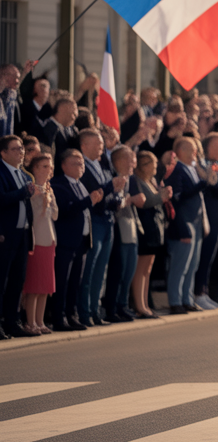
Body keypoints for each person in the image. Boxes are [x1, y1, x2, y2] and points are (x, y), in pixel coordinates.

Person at [77, 129, 126, 326]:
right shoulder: (82, 167)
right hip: (94, 221)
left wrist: (117, 197)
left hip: (108, 219)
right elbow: (93, 194)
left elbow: (111, 192)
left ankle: (95, 311)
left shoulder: (103, 165)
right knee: (89, 269)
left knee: (101, 269)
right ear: (84, 146)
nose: (101, 146)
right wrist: (110, 187)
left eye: (101, 143)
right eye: (97, 143)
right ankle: (84, 312)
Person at [50, 149, 100, 331]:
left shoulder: (80, 184)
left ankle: (72, 315)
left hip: (82, 241)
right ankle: (59, 317)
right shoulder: (58, 184)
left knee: (75, 281)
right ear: (63, 166)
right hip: (66, 241)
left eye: (82, 163)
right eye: (75, 163)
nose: (80, 166)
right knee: (62, 281)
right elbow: (65, 210)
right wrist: (89, 201)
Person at [165, 137, 208, 315]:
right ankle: (175, 301)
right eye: (191, 149)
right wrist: (201, 185)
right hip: (184, 223)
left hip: (196, 222)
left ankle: (187, 299)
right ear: (180, 151)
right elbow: (177, 198)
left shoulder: (194, 169)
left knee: (192, 265)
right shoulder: (177, 170)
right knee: (180, 265)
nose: (195, 152)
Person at [0, 134, 36, 338]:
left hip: (22, 233)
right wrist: (23, 192)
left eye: (22, 148)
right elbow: (2, 199)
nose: (21, 152)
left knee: (17, 280)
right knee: (2, 280)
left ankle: (12, 322)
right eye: (15, 149)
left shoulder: (23, 174)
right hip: (5, 234)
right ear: (3, 153)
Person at [193, 133, 218, 310]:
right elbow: (216, 188)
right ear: (212, 147)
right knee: (203, 257)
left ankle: (204, 291)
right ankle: (198, 292)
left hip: (217, 217)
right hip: (207, 217)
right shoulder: (207, 164)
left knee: (210, 257)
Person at [103, 147, 144, 322]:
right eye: (129, 159)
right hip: (118, 227)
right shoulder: (113, 179)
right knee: (118, 270)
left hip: (131, 226)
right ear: (118, 161)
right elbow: (115, 202)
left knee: (129, 270)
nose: (133, 163)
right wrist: (130, 200)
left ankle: (123, 305)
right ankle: (112, 308)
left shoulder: (130, 179)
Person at [21, 152, 56, 335]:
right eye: (44, 166)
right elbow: (33, 215)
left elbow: (55, 215)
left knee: (45, 287)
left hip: (49, 239)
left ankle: (40, 321)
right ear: (34, 169)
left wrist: (49, 199)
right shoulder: (31, 189)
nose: (48, 170)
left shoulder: (49, 189)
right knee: (34, 285)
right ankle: (30, 322)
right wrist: (41, 199)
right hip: (36, 240)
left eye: (50, 166)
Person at [131, 151, 169, 318]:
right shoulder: (137, 181)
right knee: (140, 269)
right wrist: (161, 197)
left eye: (154, 162)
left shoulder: (151, 181)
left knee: (148, 269)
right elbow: (144, 202)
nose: (154, 166)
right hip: (145, 228)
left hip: (154, 228)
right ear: (141, 166)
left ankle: (145, 304)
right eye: (149, 163)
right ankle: (140, 305)